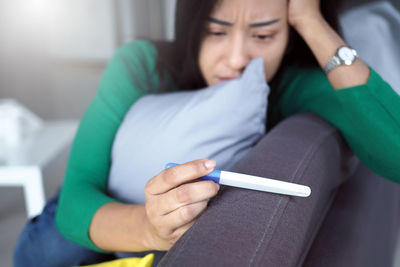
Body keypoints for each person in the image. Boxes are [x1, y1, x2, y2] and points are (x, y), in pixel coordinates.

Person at [14, 0, 400, 266]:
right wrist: (148, 227)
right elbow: (75, 199)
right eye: (217, 32)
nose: (236, 58)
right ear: (192, 25)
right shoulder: (141, 65)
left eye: (263, 36)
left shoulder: (292, 87)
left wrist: (312, 22)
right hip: (72, 233)